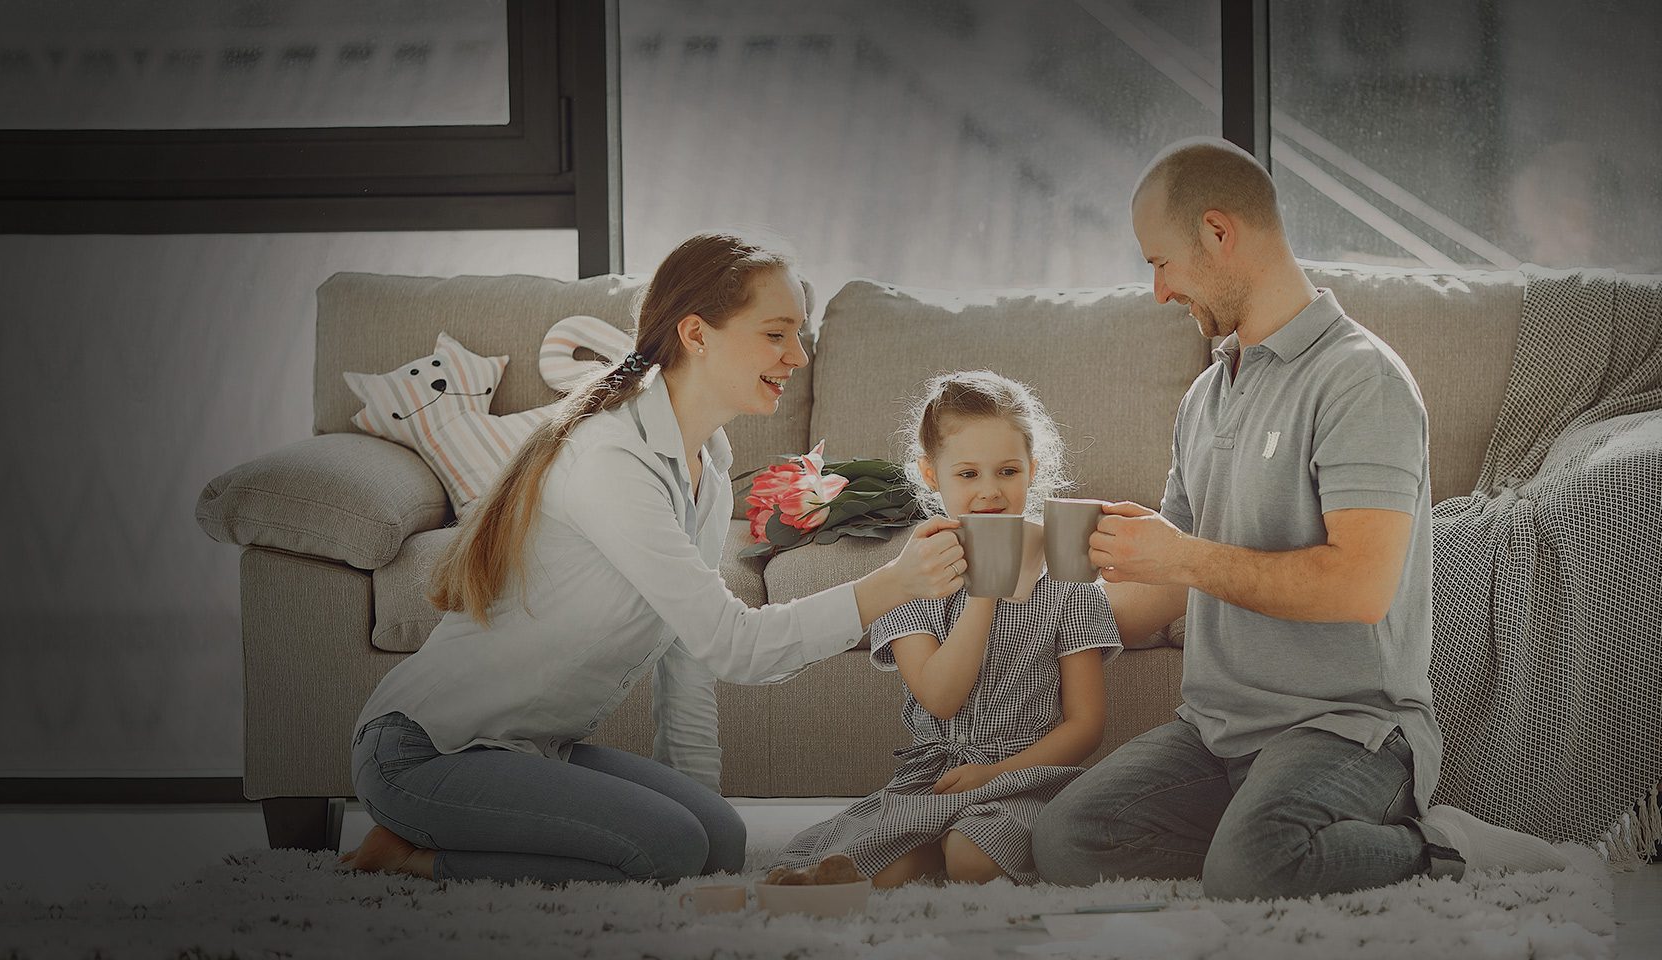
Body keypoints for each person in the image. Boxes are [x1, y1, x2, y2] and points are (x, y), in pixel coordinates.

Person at [337, 232, 968, 884]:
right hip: (425, 751)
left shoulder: (706, 471)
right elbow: (735, 646)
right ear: (697, 334)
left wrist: (694, 818)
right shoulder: (614, 459)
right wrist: (895, 582)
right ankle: (416, 857)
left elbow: (688, 665)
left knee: (714, 844)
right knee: (667, 851)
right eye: (777, 334)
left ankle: (494, 832)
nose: (799, 356)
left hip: (529, 751)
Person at [1032, 138, 1565, 900]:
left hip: (1346, 728)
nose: (1157, 292)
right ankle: (1262, 830)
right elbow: (1164, 588)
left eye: (1160, 263)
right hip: (1214, 731)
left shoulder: (1360, 379)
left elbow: (1359, 586)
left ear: (1219, 234)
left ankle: (1445, 846)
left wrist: (1181, 556)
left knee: (1255, 868)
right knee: (1068, 841)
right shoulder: (1207, 394)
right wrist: (1035, 617)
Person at [772, 371, 1120, 887]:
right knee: (878, 856)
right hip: (935, 776)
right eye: (967, 474)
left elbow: (1085, 724)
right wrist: (986, 586)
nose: (990, 492)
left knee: (972, 858)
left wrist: (995, 775)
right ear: (931, 475)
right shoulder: (910, 580)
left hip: (1027, 777)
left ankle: (930, 848)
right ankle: (871, 868)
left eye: (1007, 471)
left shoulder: (1068, 584)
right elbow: (940, 698)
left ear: (1032, 471)